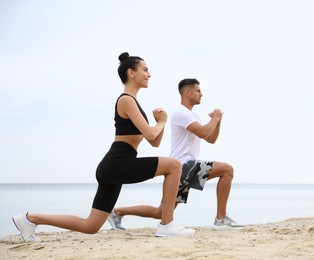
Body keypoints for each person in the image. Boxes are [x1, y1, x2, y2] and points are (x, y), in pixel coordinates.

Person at [12, 53, 196, 243]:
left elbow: (154, 142)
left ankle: (28, 218)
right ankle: (167, 225)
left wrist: (160, 123)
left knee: (90, 226)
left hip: (113, 166)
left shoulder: (133, 102)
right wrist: (163, 121)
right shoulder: (126, 100)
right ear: (131, 72)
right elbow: (150, 134)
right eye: (145, 70)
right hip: (118, 162)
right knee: (174, 165)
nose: (149, 74)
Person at [108, 78, 244, 230]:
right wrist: (216, 117)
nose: (202, 94)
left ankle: (117, 212)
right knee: (227, 170)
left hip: (181, 169)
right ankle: (221, 219)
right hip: (184, 165)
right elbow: (203, 131)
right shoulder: (181, 113)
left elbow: (210, 138)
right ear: (187, 92)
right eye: (198, 91)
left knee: (161, 212)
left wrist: (217, 122)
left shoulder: (193, 116)